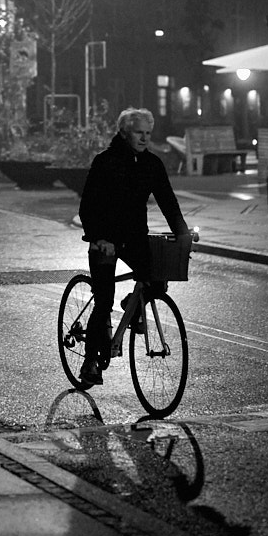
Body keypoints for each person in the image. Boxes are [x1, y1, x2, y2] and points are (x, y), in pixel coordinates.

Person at [78, 106, 190, 388]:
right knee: (103, 300)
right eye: (139, 133)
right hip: (105, 240)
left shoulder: (152, 164)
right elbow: (88, 205)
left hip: (136, 237)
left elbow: (167, 200)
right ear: (125, 132)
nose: (144, 138)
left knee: (157, 277)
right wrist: (98, 238)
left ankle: (133, 305)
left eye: (148, 133)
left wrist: (183, 232)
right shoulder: (106, 161)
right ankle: (90, 361)